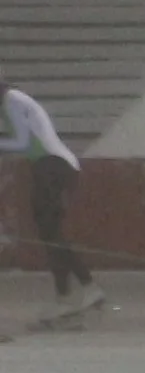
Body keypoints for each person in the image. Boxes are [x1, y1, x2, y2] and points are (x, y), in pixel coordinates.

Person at [0, 76, 103, 323]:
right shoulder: (12, 101)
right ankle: (78, 291)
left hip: (52, 165)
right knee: (50, 233)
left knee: (50, 232)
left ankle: (75, 293)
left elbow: (21, 142)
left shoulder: (12, 100)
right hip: (49, 166)